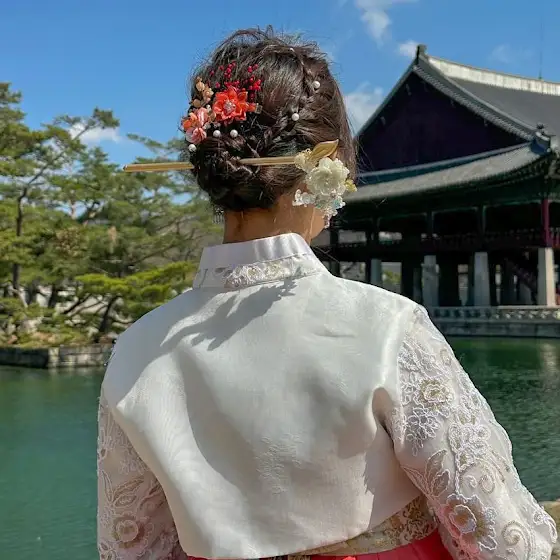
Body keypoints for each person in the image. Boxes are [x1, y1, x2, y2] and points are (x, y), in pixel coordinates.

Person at [97, 28, 557, 560]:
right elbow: (504, 539)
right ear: (325, 165)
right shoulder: (386, 328)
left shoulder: (136, 351)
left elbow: (129, 547)